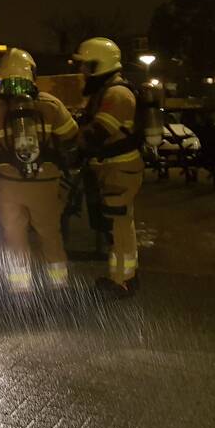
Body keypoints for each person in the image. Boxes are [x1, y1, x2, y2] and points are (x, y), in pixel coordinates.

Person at [0, 48, 79, 291]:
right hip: (45, 183)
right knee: (50, 234)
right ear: (32, 73)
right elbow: (72, 139)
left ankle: (20, 288)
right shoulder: (52, 105)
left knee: (14, 235)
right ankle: (59, 285)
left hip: (7, 185)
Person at [71, 37, 145, 298]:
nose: (83, 72)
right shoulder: (107, 91)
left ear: (99, 65)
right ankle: (126, 276)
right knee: (122, 224)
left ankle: (121, 282)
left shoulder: (116, 94)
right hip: (114, 168)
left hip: (119, 170)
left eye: (87, 66)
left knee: (119, 228)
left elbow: (99, 132)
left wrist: (71, 138)